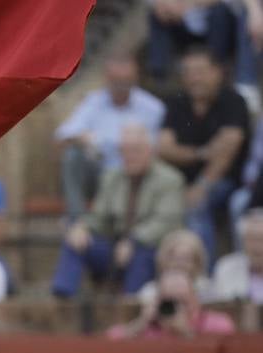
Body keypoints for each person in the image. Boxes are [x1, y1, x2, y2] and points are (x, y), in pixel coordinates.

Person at [51, 123, 185, 299]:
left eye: (136, 150)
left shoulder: (170, 180)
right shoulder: (112, 177)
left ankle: (129, 307)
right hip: (115, 246)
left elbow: (165, 222)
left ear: (150, 151)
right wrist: (82, 227)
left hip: (151, 249)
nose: (130, 156)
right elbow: (100, 217)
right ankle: (62, 300)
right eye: (125, 151)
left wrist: (134, 241)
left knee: (140, 256)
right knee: (75, 239)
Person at [158, 46, 250, 261]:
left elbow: (228, 148)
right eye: (188, 72)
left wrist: (202, 185)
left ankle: (203, 276)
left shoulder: (233, 101)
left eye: (200, 71)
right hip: (180, 181)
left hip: (225, 180)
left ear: (217, 72)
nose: (194, 78)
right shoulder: (177, 102)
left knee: (197, 205)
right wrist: (202, 152)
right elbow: (163, 148)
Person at [53, 53, 165, 221]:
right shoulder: (93, 101)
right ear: (107, 78)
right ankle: (76, 220)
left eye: (125, 80)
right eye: (116, 80)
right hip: (100, 172)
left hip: (134, 175)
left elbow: (156, 149)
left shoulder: (153, 107)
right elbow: (63, 135)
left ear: (135, 78)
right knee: (73, 156)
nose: (121, 85)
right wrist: (82, 139)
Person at [108, 267, 236, 338]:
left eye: (182, 301)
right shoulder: (149, 325)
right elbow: (110, 342)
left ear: (195, 300)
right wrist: (141, 323)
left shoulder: (217, 323)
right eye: (170, 301)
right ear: (158, 300)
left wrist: (187, 333)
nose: (176, 307)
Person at [146, 0, 236, 81]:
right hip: (181, 24)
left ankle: (215, 67)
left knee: (220, 12)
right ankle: (159, 72)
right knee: (157, 14)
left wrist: (189, 3)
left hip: (215, 26)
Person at [211, 207, 263, 307]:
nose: (257, 247)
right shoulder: (226, 268)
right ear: (243, 242)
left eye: (261, 239)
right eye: (252, 240)